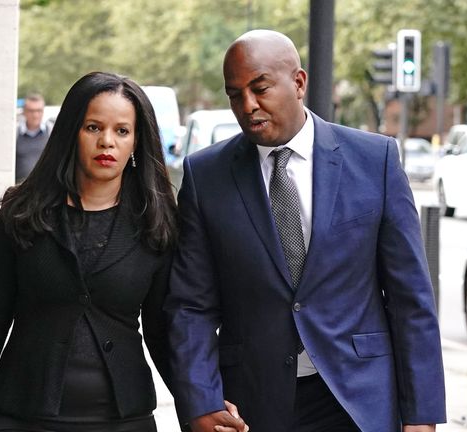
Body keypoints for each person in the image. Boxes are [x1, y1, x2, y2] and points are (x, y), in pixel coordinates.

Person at [165, 30, 446, 432]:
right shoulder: (205, 175)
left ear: (298, 83)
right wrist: (199, 401)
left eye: (260, 88)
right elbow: (190, 306)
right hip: (251, 404)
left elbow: (411, 299)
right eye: (234, 94)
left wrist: (421, 414)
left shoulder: (374, 161)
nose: (248, 105)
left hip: (357, 401)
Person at [0, 72, 179, 432]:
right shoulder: (21, 216)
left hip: (123, 421)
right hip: (23, 418)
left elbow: (163, 333)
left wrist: (203, 407)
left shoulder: (154, 223)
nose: (107, 142)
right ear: (72, 131)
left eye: (122, 131)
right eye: (93, 127)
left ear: (136, 142)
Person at [16, 92, 52, 182]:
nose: (35, 115)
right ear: (24, 112)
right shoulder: (15, 133)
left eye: (39, 111)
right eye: (31, 111)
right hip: (20, 189)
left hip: (46, 189)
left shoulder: (51, 132)